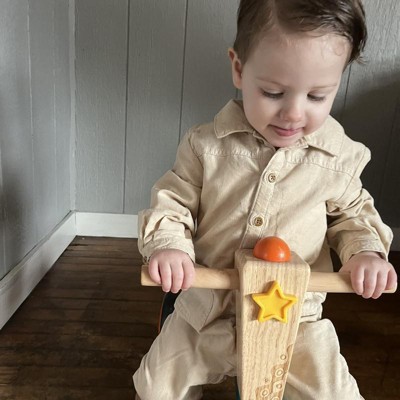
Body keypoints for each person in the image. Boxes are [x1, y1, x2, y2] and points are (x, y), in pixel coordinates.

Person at [133, 0, 397, 399]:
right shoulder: (206, 147)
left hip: (295, 315)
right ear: (239, 69)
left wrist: (366, 253)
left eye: (317, 96)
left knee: (335, 394)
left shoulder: (338, 157)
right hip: (208, 307)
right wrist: (170, 247)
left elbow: (353, 214)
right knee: (156, 386)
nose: (293, 113)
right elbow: (174, 202)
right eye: (273, 92)